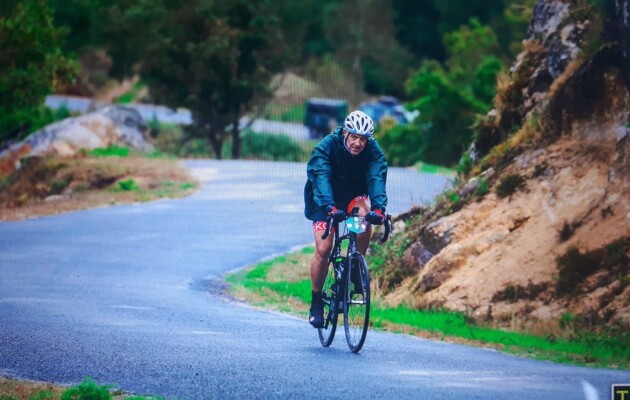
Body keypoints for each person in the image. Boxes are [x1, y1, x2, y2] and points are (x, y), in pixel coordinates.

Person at [303, 110, 388, 328]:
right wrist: (329, 206)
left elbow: (376, 177)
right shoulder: (327, 146)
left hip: (352, 197)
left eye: (363, 139)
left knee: (365, 215)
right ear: (345, 133)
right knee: (324, 248)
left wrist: (379, 208)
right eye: (354, 137)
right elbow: (320, 176)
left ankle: (355, 265)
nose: (358, 143)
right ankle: (316, 301)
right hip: (324, 200)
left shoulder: (372, 151)